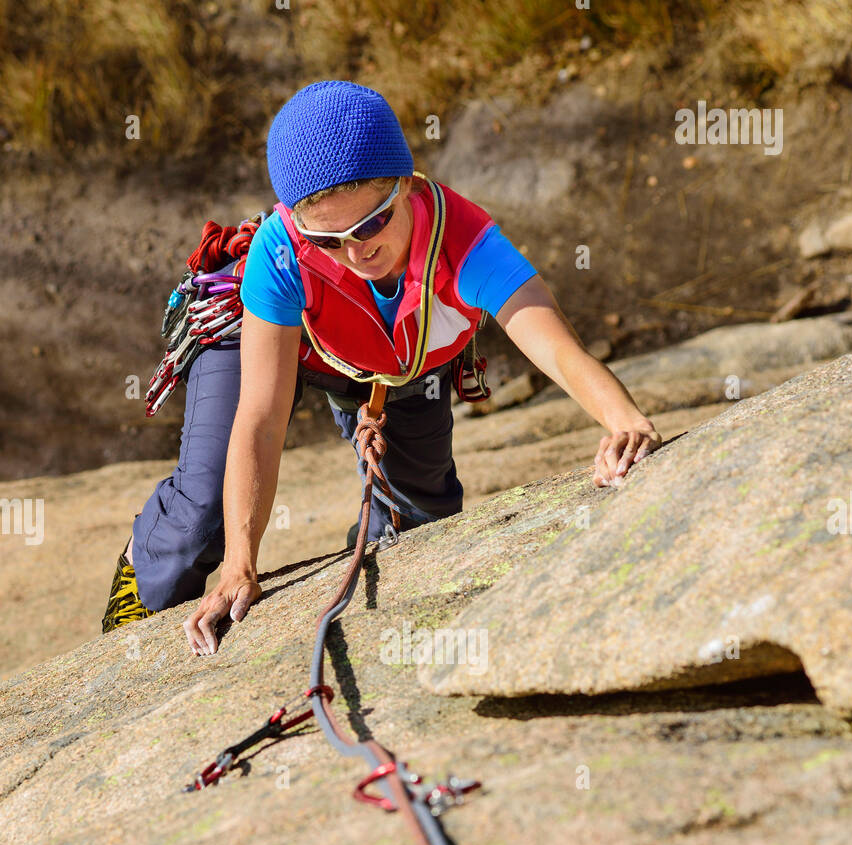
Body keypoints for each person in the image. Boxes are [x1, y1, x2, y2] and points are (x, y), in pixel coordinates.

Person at [101, 81, 661, 654]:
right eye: (330, 240)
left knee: (419, 522)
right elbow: (263, 417)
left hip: (395, 360)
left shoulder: (465, 243)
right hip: (264, 336)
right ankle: (143, 575)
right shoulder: (282, 253)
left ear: (410, 187)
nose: (357, 253)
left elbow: (559, 350)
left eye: (372, 224)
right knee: (201, 515)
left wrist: (626, 422)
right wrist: (239, 567)